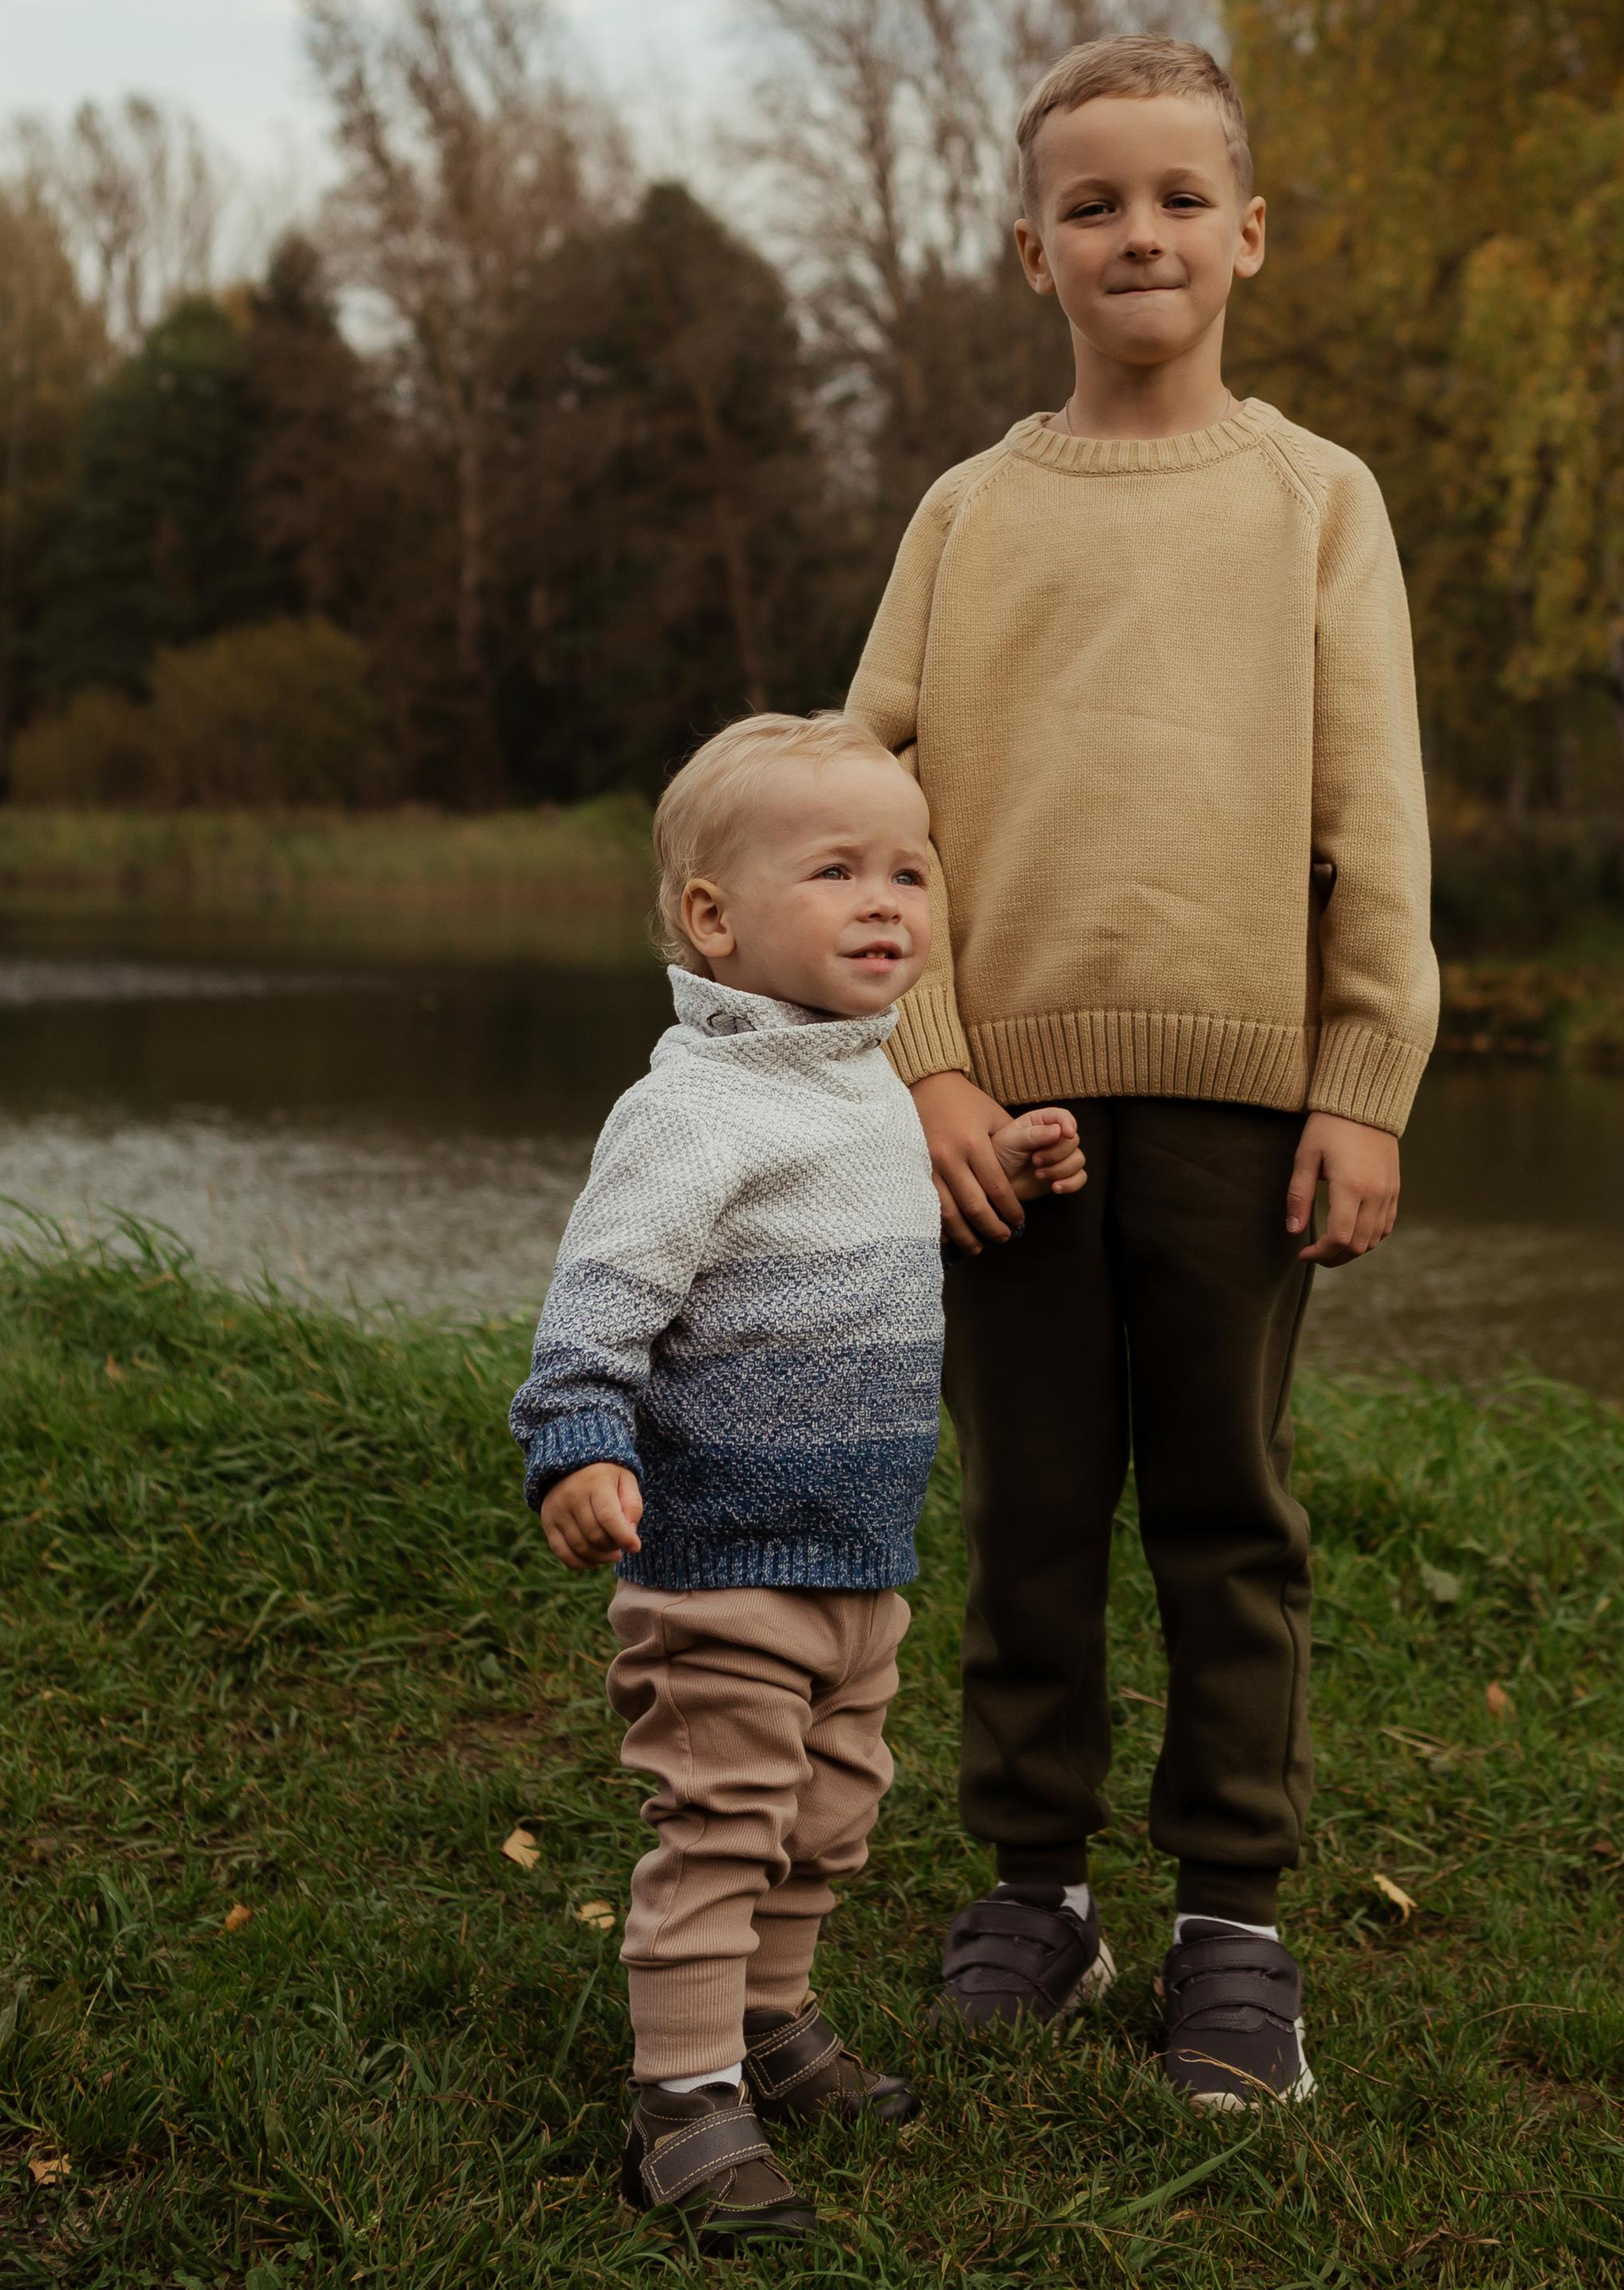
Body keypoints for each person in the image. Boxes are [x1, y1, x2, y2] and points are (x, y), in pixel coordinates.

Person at [845, 36, 1437, 2111]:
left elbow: (1375, 811)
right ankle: (1032, 1892)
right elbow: (864, 806)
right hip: (997, 1112)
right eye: (1092, 205)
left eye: (1179, 197)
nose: (1139, 234)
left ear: (1247, 235)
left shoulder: (1310, 503)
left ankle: (1231, 1930)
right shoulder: (966, 512)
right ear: (1031, 249)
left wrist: (1359, 1076)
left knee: (1221, 1508)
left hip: (1242, 1105)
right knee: (1021, 1507)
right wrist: (920, 1065)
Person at [509, 711, 1083, 2249]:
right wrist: (577, 1448)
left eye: (911, 870)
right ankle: (682, 2101)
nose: (889, 901)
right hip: (721, 1561)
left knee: (827, 1822)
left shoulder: (866, 1087)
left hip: (857, 1562)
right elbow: (595, 1314)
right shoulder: (690, 1113)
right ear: (717, 917)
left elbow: (885, 1235)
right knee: (722, 1823)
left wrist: (1011, 1168)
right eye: (837, 871)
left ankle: (772, 2022)